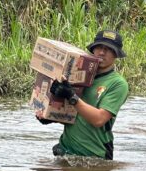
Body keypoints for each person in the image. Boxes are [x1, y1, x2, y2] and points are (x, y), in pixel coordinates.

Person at [37, 30, 129, 160]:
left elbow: (99, 119)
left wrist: (71, 95)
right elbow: (72, 114)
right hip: (65, 151)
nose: (102, 52)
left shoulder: (118, 84)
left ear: (116, 55)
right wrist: (48, 117)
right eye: (99, 47)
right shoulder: (78, 75)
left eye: (108, 49)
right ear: (93, 49)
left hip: (94, 155)